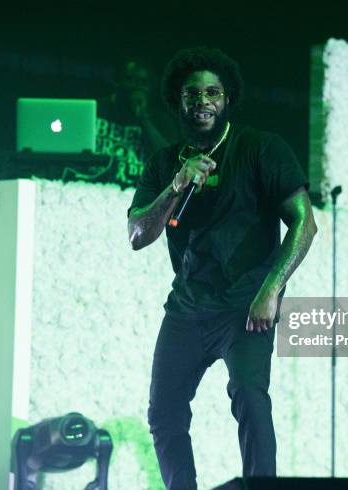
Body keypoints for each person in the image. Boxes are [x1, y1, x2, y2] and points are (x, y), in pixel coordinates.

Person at [127, 46, 318, 490]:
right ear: (178, 101)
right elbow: (138, 235)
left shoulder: (261, 148)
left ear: (227, 98)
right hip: (188, 307)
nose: (202, 100)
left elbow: (305, 224)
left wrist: (272, 289)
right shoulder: (164, 163)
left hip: (245, 305)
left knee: (250, 398)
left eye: (213, 92)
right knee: (163, 412)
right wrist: (176, 186)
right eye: (192, 93)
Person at [96, 59, 176, 186]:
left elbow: (168, 162)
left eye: (143, 82)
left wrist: (144, 118)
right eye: (130, 79)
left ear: (151, 86)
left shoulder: (161, 122)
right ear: (117, 81)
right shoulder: (97, 110)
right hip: (96, 188)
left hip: (140, 194)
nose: (136, 86)